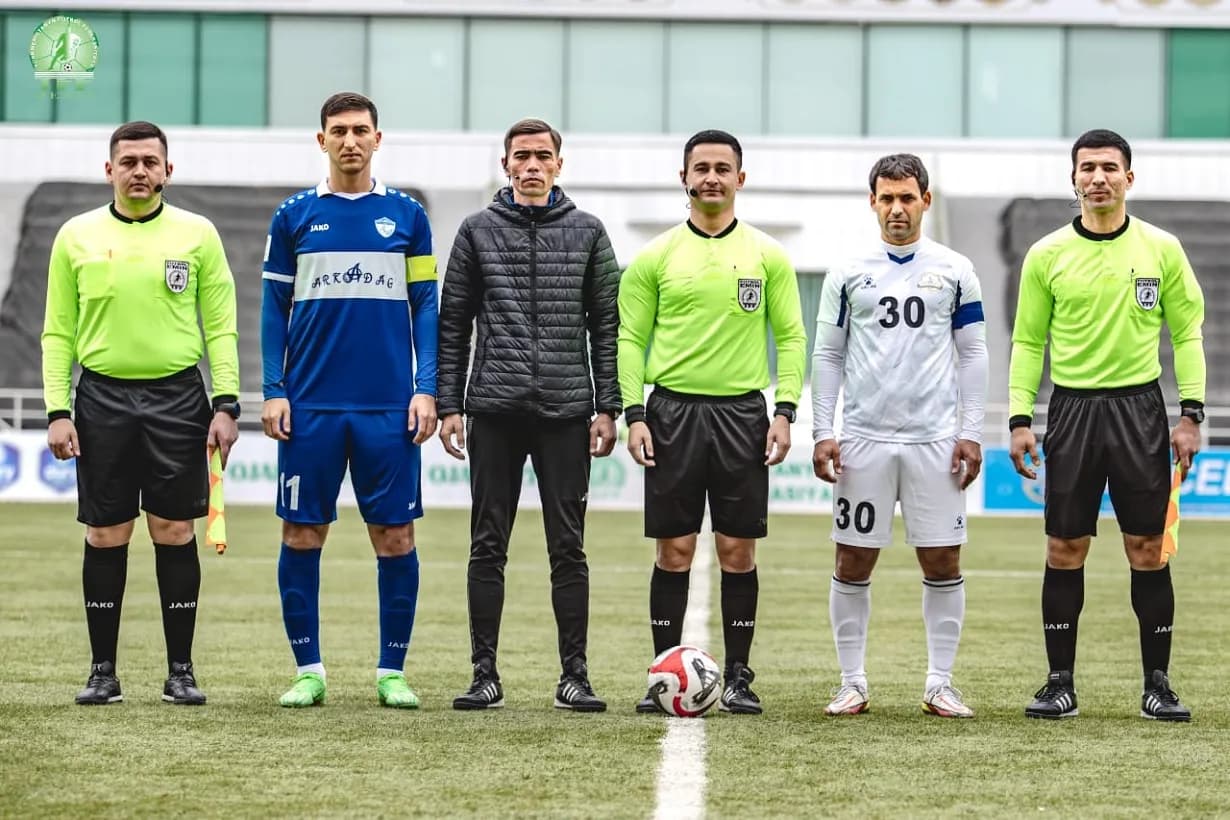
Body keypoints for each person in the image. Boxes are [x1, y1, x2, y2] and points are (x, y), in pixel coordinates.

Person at [42, 120, 240, 706]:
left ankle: (181, 671)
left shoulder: (197, 234)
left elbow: (221, 326)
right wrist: (57, 409)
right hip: (101, 398)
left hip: (178, 398)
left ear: (167, 171)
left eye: (150, 162)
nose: (139, 171)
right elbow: (57, 332)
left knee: (174, 530)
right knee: (106, 532)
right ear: (109, 170)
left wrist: (226, 403)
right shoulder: (74, 236)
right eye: (128, 162)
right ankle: (102, 671)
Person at [1009, 129, 1205, 722]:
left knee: (1147, 548)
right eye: (1088, 168)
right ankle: (1059, 684)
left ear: (1129, 177)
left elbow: (1187, 333)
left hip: (1140, 410)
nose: (1098, 177)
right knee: (1064, 546)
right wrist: (1019, 418)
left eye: (1109, 167)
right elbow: (1028, 342)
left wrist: (1190, 413)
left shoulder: (1162, 249)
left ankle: (1158, 686)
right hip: (1071, 411)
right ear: (1073, 179)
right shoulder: (1046, 255)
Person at [618, 129, 807, 715]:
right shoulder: (655, 257)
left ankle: (740, 677)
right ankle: (664, 674)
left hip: (742, 414)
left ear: (740, 179)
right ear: (684, 177)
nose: (711, 178)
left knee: (737, 551)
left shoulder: (767, 255)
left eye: (723, 168)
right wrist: (634, 413)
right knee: (673, 551)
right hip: (671, 412)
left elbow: (791, 337)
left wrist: (785, 411)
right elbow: (630, 340)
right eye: (701, 168)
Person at [260, 92, 438, 709]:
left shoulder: (407, 216)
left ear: (377, 139)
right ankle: (308, 671)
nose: (350, 140)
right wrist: (274, 390)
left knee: (395, 538)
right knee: (302, 534)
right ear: (322, 140)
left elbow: (426, 307)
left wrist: (425, 387)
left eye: (361, 130)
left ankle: (392, 673)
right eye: (338, 131)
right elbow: (272, 309)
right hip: (310, 407)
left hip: (388, 408)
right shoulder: (294, 216)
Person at [438, 118, 621, 713]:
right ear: (507, 165)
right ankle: (483, 675)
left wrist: (608, 406)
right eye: (522, 156)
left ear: (559, 165)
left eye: (543, 156)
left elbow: (607, 326)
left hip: (567, 411)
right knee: (487, 545)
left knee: (568, 547)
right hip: (493, 409)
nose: (533, 165)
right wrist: (449, 405)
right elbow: (453, 323)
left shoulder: (589, 232)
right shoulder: (476, 231)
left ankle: (575, 677)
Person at [812, 154, 987, 719]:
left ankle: (940, 684)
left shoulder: (956, 270)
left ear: (925, 201)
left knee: (942, 560)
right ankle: (852, 683)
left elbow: (973, 353)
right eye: (886, 198)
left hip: (934, 441)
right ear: (872, 202)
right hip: (863, 439)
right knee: (852, 559)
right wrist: (823, 431)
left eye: (907, 197)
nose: (896, 209)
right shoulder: (846, 273)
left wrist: (970, 432)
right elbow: (828, 354)